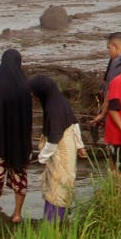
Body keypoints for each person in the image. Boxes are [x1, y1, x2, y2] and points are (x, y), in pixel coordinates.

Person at [0, 50, 33, 225]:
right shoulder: (24, 87)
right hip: (18, 142)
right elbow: (28, 118)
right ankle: (17, 214)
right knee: (19, 176)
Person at [29, 75, 85, 221]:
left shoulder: (53, 108)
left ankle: (52, 221)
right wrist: (80, 146)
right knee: (59, 183)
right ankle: (57, 218)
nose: (33, 95)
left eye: (34, 92)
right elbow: (74, 122)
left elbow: (55, 136)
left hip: (61, 150)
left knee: (57, 185)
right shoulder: (59, 100)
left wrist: (42, 157)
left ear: (41, 92)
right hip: (66, 147)